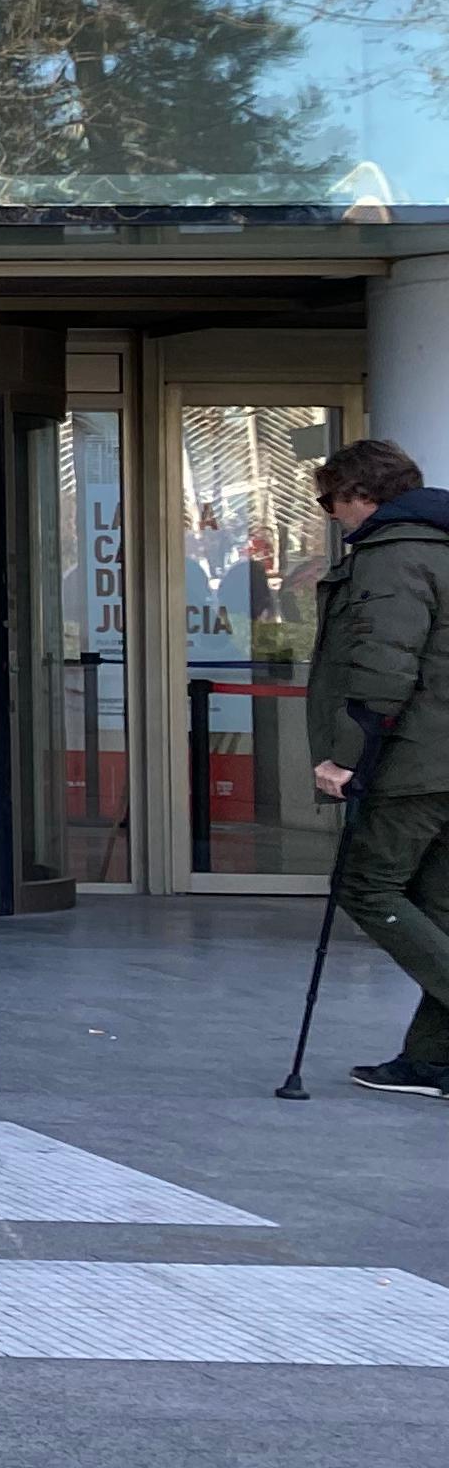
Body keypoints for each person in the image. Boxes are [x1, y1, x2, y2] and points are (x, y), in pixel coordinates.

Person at [305, 437, 449, 1100]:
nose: (333, 514)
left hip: (416, 762)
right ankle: (433, 1060)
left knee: (368, 887)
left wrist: (345, 758)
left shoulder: (394, 556)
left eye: (333, 500)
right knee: (437, 909)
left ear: (363, 494)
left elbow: (385, 667)